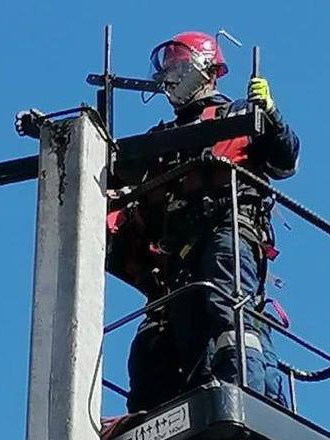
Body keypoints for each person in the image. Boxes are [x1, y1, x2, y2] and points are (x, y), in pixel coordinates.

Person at [115, 30, 300, 413]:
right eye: (167, 68)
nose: (170, 75)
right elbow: (123, 198)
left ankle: (244, 394)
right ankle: (156, 417)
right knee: (154, 343)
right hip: (175, 259)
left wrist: (270, 116)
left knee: (225, 309)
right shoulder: (159, 141)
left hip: (226, 233)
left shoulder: (236, 116)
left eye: (179, 66)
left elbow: (285, 160)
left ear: (208, 68)